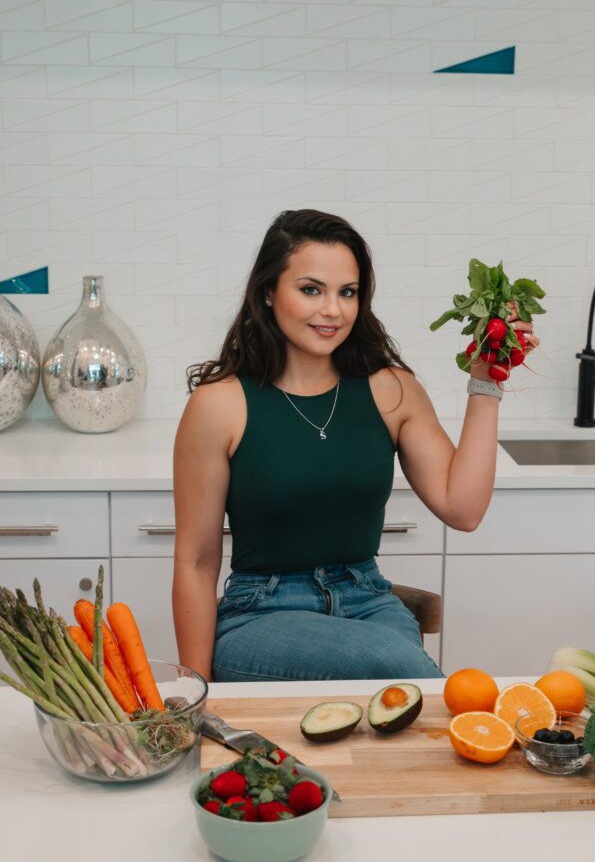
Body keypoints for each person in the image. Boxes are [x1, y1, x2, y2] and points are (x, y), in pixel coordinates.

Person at [172, 209, 539, 683]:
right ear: (268, 292)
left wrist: (486, 382)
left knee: (397, 690)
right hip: (259, 616)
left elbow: (463, 509)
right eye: (311, 290)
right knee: (404, 670)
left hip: (369, 602)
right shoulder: (220, 404)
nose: (333, 310)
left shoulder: (390, 390)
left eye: (348, 292)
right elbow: (197, 562)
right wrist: (195, 694)